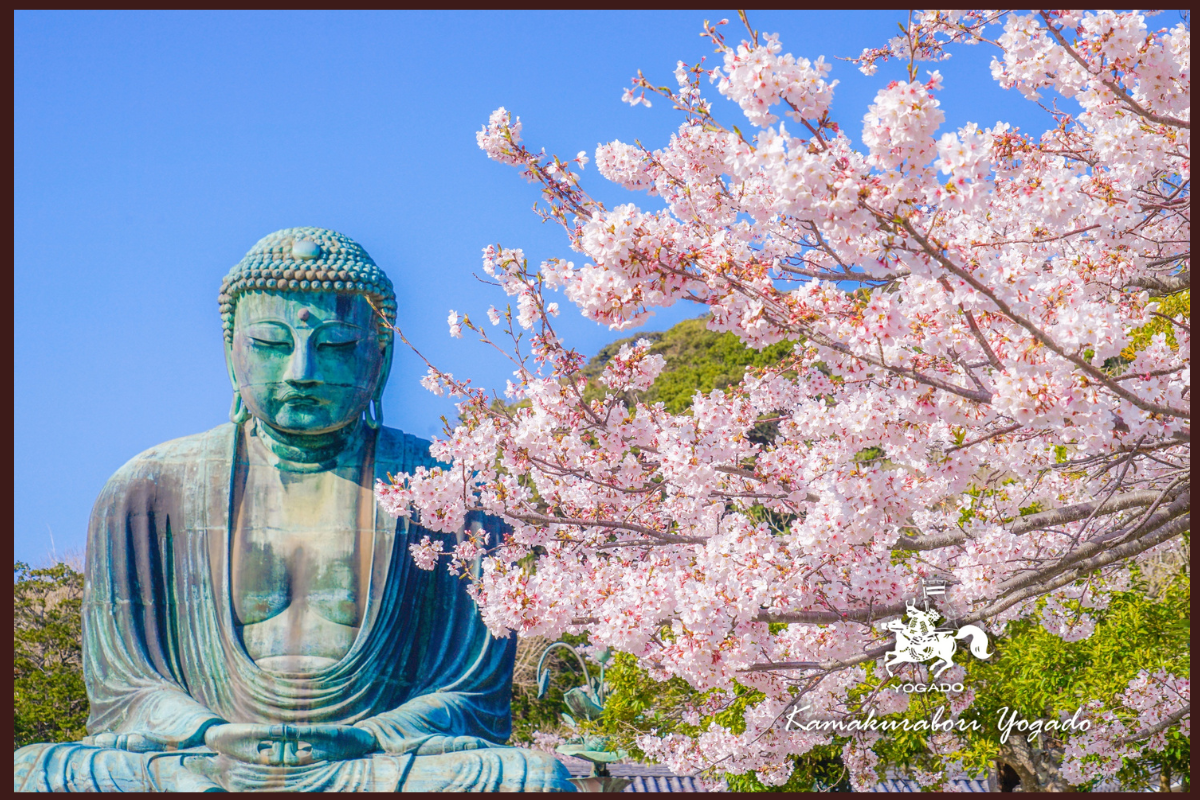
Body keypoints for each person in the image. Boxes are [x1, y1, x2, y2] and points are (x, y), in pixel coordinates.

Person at [13, 228, 576, 792]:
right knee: (37, 771)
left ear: (381, 357)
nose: (302, 370)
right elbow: (127, 689)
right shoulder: (147, 491)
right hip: (206, 756)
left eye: (334, 346)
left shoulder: (454, 492)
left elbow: (470, 693)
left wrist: (372, 735)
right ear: (232, 354)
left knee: (531, 779)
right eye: (270, 343)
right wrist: (210, 732)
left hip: (377, 759)